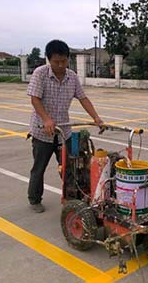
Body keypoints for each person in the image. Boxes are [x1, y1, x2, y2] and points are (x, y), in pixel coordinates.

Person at [27, 39, 104, 213]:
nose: (60, 65)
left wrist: (96, 118)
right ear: (49, 59)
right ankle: (34, 199)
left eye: (64, 61)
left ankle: (72, 196)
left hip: (64, 131)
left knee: (71, 166)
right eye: (56, 62)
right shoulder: (40, 74)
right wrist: (46, 119)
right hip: (42, 131)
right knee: (39, 167)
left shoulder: (72, 77)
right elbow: (35, 99)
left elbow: (83, 98)